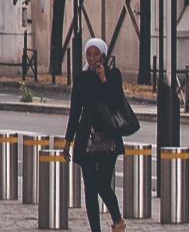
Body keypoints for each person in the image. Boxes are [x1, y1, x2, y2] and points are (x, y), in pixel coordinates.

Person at [64, 36, 133, 232]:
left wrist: (103, 80)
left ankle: (118, 220)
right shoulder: (81, 78)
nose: (93, 59)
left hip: (108, 136)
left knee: (103, 184)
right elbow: (75, 110)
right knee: (90, 189)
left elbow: (116, 102)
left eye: (96, 54)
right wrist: (68, 141)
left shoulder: (113, 75)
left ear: (103, 55)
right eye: (89, 54)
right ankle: (95, 229)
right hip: (86, 137)